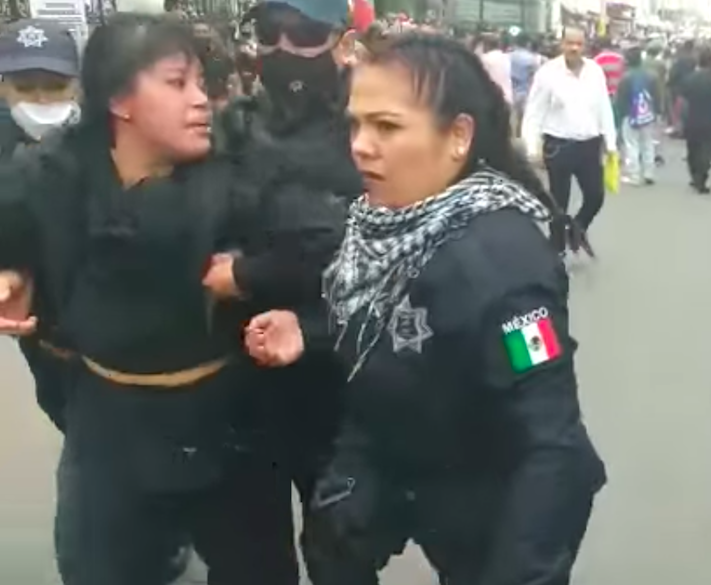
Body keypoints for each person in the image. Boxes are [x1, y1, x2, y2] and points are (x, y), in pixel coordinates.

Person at [243, 31, 607, 585]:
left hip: (482, 494)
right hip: (387, 458)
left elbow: (553, 445)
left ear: (458, 136)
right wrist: (311, 329)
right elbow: (396, 319)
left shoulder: (506, 267)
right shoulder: (381, 222)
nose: (361, 146)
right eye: (356, 125)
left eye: (386, 127)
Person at [0, 13, 341, 584]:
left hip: (229, 425)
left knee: (255, 571)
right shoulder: (52, 170)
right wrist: (11, 268)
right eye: (177, 83)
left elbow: (324, 245)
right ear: (119, 99)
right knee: (99, 567)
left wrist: (252, 274)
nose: (201, 100)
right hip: (106, 424)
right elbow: (13, 223)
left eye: (202, 84)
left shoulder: (241, 170)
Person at [216, 0, 361, 526]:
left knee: (339, 550)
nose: (283, 48)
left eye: (302, 33)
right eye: (270, 32)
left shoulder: (371, 125)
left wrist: (252, 272)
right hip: (246, 381)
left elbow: (386, 248)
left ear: (341, 43)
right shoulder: (234, 125)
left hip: (342, 379)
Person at [0, 18, 81, 431]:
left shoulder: (114, 138)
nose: (39, 99)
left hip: (129, 348)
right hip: (46, 338)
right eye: (24, 86)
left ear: (76, 85)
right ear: (3, 87)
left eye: (53, 86)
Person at [522, 26, 616, 258]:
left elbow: (604, 108)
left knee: (595, 196)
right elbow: (534, 112)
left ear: (585, 46)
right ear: (561, 44)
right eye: (569, 43)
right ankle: (556, 250)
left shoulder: (594, 71)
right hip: (558, 147)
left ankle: (577, 228)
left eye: (579, 44)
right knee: (558, 203)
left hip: (589, 145)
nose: (574, 48)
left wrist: (611, 143)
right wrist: (532, 148)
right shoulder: (547, 73)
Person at [679, 46, 711, 194]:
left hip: (692, 117)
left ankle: (695, 175)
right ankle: (702, 176)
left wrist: (680, 119)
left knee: (692, 148)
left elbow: (682, 100)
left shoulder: (691, 78)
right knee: (707, 148)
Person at [614, 45, 660, 185]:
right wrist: (657, 111)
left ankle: (634, 174)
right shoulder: (652, 75)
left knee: (631, 144)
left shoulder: (625, 78)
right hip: (648, 113)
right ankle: (649, 173)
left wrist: (620, 115)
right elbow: (657, 95)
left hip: (630, 114)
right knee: (647, 143)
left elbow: (620, 99)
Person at [509, 32, 539, 136]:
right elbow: (534, 76)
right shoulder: (531, 59)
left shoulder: (509, 56)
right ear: (527, 43)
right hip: (526, 91)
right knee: (525, 120)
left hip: (511, 91)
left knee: (513, 119)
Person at [479, 33, 513, 104]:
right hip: (508, 96)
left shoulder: (485, 59)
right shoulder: (506, 57)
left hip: (492, 98)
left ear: (487, 45)